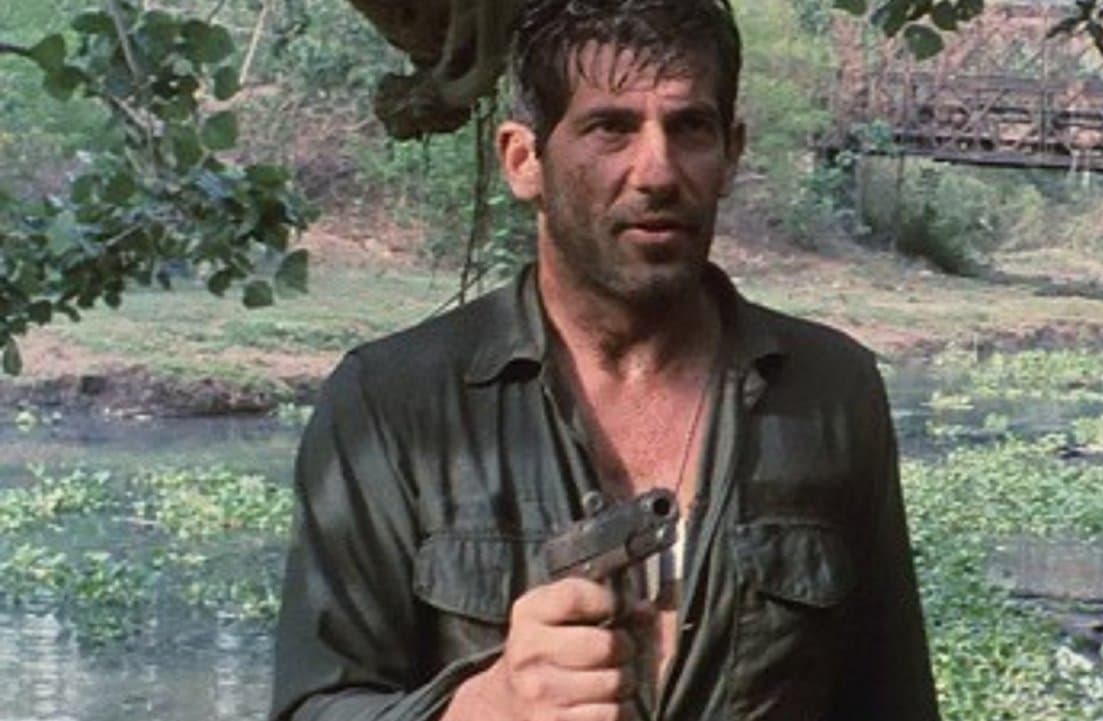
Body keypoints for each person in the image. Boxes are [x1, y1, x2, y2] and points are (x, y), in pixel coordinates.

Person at [269, 0, 939, 719]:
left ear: (731, 154)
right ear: (524, 160)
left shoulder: (833, 392)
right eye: (610, 127)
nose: (657, 171)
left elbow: (893, 700)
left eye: (690, 127)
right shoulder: (388, 403)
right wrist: (487, 706)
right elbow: (313, 707)